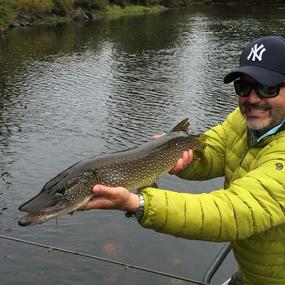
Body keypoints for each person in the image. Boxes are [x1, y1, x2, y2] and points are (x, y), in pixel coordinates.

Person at [81, 35, 285, 285]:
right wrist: (178, 156)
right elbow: (214, 150)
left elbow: (233, 212)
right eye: (244, 87)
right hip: (257, 272)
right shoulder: (243, 121)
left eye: (267, 88)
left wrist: (139, 203)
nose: (252, 99)